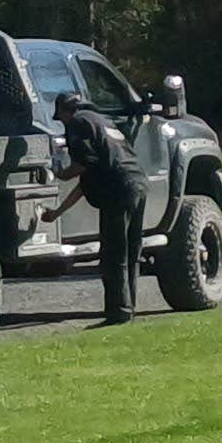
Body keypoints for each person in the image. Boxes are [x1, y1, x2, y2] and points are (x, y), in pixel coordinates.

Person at [57, 91, 144, 324]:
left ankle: (119, 313)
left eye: (60, 117)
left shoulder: (79, 123)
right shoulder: (103, 121)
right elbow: (86, 182)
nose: (62, 122)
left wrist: (60, 173)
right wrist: (57, 213)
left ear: (66, 111)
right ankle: (129, 307)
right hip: (137, 183)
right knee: (131, 252)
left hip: (118, 189)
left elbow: (82, 165)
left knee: (113, 255)